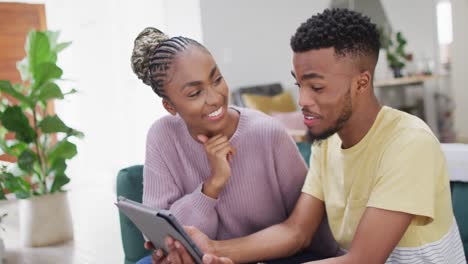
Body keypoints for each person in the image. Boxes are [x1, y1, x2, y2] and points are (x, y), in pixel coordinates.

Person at [159, 8, 466, 264]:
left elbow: (362, 260)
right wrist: (211, 248)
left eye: (316, 87)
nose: (303, 100)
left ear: (361, 83)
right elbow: (296, 232)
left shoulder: (409, 143)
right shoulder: (328, 141)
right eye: (299, 85)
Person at [130, 28, 339, 264]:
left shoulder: (267, 133)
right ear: (170, 107)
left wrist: (214, 252)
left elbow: (307, 231)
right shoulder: (163, 135)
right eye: (195, 92)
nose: (215, 97)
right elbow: (160, 232)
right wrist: (211, 188)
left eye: (217, 79)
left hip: (274, 256)